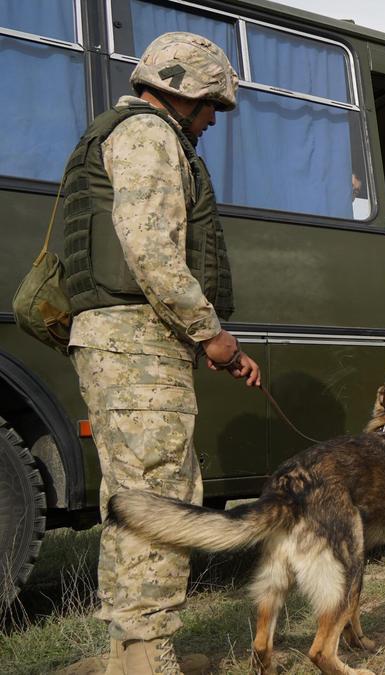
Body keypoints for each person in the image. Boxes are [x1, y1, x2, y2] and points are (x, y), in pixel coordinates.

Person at [61, 32, 259, 674]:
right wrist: (210, 332)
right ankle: (148, 657)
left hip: (127, 339)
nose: (209, 122)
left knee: (131, 494)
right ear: (187, 91)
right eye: (209, 109)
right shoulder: (149, 135)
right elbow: (151, 251)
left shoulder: (119, 133)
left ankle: (127, 655)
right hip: (137, 342)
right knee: (160, 493)